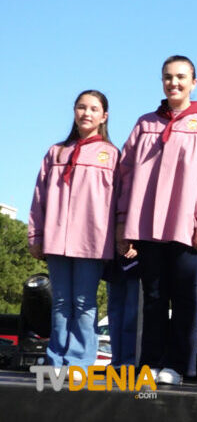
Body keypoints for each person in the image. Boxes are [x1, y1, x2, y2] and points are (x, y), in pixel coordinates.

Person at [117, 56, 197, 385]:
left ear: (194, 82)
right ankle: (150, 362)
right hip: (148, 225)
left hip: (186, 226)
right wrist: (123, 220)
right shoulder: (144, 123)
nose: (174, 83)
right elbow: (125, 174)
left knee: (184, 299)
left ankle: (178, 366)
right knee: (152, 297)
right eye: (168, 77)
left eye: (181, 77)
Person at [28, 90, 119, 375]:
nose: (86, 113)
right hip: (56, 239)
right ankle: (57, 360)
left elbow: (119, 201)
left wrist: (120, 235)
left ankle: (78, 361)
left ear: (104, 115)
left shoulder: (111, 154)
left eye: (93, 108)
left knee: (84, 302)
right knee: (61, 302)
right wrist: (35, 234)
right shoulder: (56, 152)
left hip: (91, 241)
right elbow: (39, 197)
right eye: (81, 107)